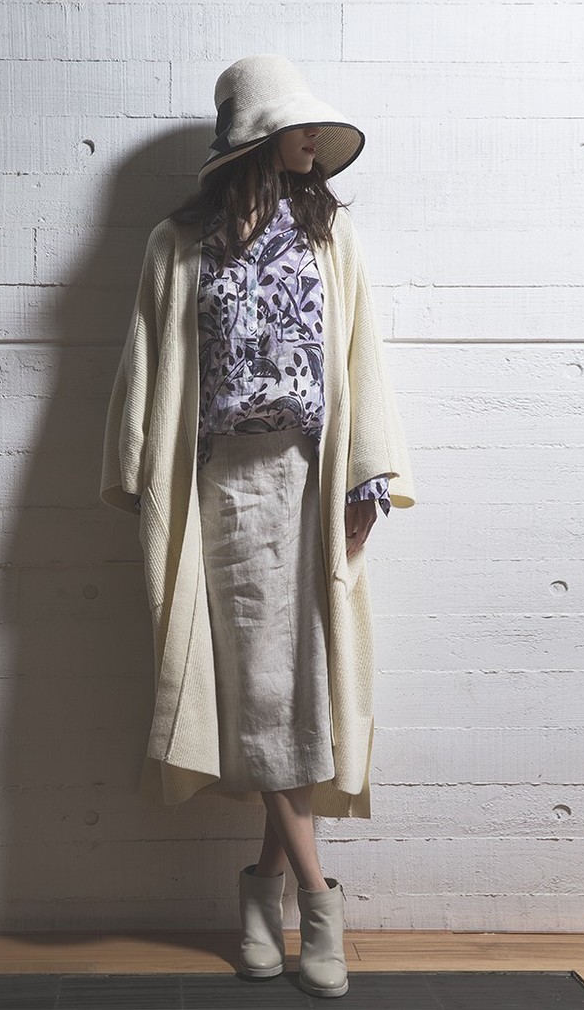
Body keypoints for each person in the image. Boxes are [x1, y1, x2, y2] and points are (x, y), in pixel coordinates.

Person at [99, 54, 415, 999]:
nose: (313, 140)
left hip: (311, 485)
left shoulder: (331, 236)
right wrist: (139, 470)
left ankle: (261, 897)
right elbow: (146, 362)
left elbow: (361, 354)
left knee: (302, 692)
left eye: (315, 128)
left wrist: (366, 478)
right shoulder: (177, 244)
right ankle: (319, 903)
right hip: (226, 492)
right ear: (256, 139)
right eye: (297, 126)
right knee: (259, 694)